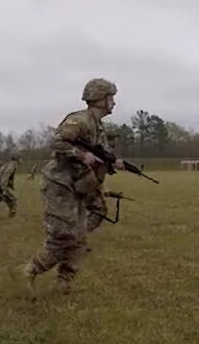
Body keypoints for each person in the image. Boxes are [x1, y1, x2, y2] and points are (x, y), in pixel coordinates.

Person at [19, 78, 123, 298]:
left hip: (80, 185)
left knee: (79, 238)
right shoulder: (79, 120)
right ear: (99, 99)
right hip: (61, 184)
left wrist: (113, 163)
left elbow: (100, 156)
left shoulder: (98, 127)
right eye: (110, 98)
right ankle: (30, 271)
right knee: (63, 236)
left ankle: (64, 282)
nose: (113, 102)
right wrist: (82, 155)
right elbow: (58, 143)